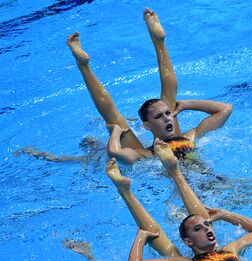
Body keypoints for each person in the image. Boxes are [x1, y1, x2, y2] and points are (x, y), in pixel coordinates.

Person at [62, 8, 232, 164]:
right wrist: (115, 131)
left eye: (167, 114)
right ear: (147, 126)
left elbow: (226, 109)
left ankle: (158, 41)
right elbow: (116, 153)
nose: (167, 118)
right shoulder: (148, 154)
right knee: (118, 118)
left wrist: (185, 105)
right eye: (159, 117)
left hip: (205, 186)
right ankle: (84, 66)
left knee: (131, 114)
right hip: (201, 188)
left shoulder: (188, 138)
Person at [101, 139, 252, 261]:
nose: (207, 228)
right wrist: (141, 236)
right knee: (167, 244)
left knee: (194, 224)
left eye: (207, 226)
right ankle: (125, 192)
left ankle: (174, 173)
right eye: (198, 229)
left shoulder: (231, 249)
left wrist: (225, 214)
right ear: (189, 242)